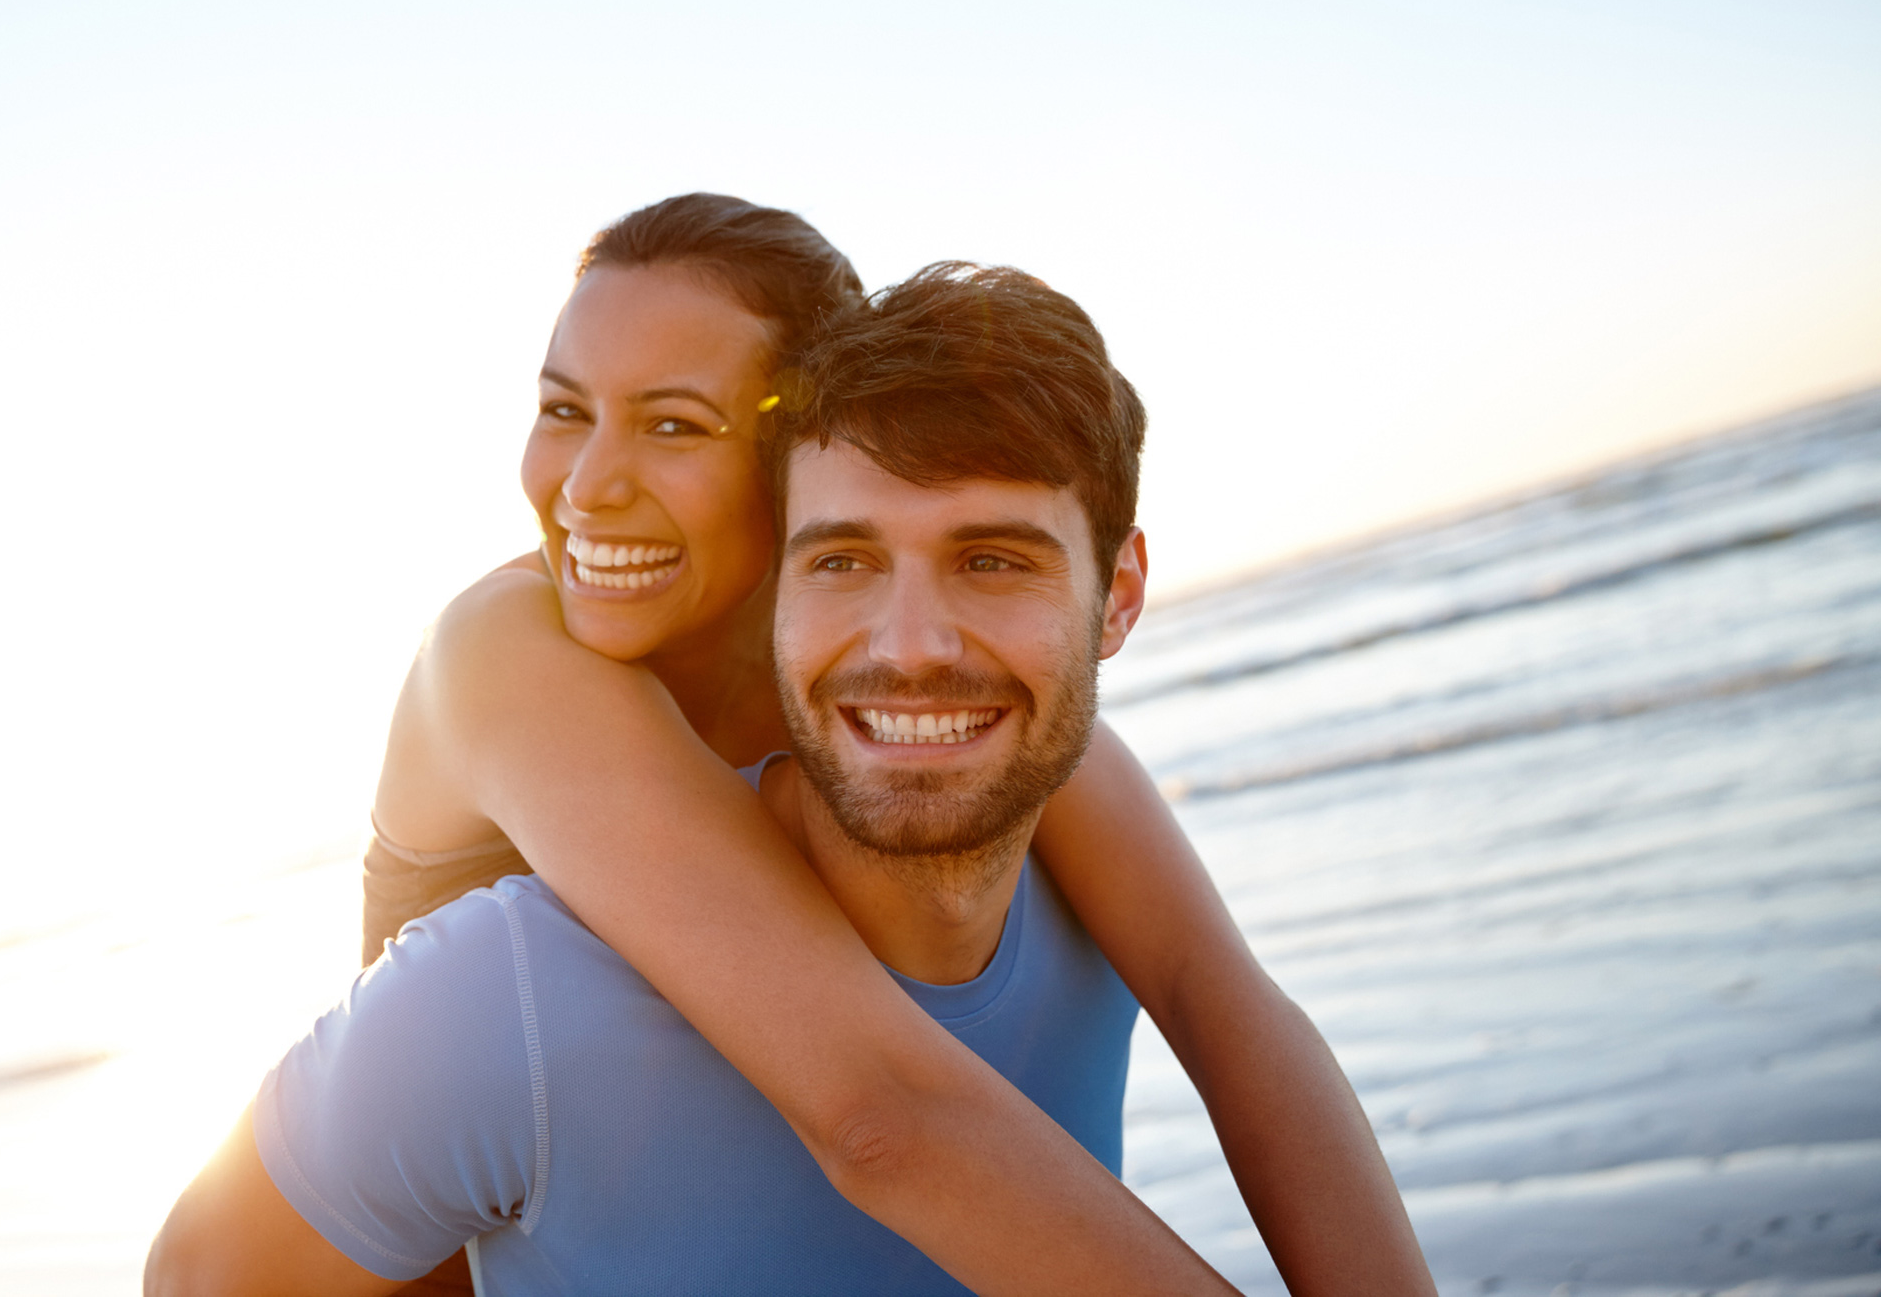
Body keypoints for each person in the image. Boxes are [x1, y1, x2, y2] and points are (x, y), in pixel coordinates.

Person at [152, 198, 1433, 1294]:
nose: (589, 483)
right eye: (563, 408)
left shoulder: (888, 662)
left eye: (672, 423)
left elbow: (1230, 1008)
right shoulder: (513, 656)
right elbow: (880, 1111)